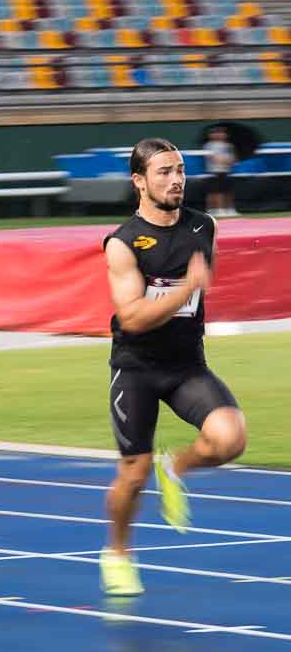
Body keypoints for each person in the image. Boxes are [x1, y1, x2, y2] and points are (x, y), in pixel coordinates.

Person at [98, 137, 245, 596]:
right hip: (137, 368)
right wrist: (186, 288)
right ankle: (118, 551)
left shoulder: (205, 227)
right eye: (164, 171)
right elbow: (133, 317)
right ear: (139, 181)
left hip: (186, 366)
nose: (177, 179)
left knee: (230, 439)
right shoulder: (122, 244)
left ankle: (176, 467)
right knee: (132, 475)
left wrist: (187, 294)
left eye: (180, 169)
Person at [202, 126, 238, 218]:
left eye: (221, 132)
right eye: (215, 132)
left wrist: (227, 160)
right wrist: (225, 159)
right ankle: (216, 210)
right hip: (213, 172)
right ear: (211, 135)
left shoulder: (229, 146)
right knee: (215, 192)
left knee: (228, 191)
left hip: (227, 171)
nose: (219, 134)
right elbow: (214, 158)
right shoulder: (208, 145)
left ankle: (229, 209)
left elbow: (234, 159)